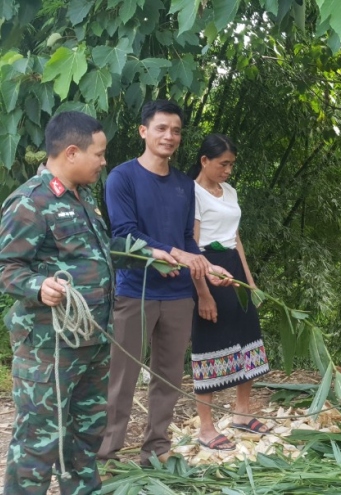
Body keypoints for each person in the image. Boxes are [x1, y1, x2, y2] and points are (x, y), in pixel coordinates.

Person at [0, 112, 178, 494]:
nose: (102, 162)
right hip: (49, 348)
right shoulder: (31, 202)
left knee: (85, 437)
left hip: (93, 342)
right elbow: (7, 267)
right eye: (98, 154)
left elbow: (98, 253)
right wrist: (37, 285)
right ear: (71, 152)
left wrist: (148, 254)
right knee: (38, 441)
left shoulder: (82, 197)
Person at [98, 100, 232, 466]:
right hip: (135, 292)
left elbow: (188, 240)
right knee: (121, 380)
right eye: (161, 128)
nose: (169, 136)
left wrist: (205, 267)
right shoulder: (122, 178)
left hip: (177, 296)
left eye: (175, 130)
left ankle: (155, 451)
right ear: (143, 131)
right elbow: (124, 235)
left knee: (169, 378)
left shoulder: (183, 185)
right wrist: (175, 253)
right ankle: (106, 455)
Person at [187, 134, 270, 451]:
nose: (228, 170)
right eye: (223, 164)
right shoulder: (191, 194)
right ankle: (206, 428)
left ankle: (241, 413)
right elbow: (191, 246)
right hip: (207, 268)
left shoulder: (230, 192)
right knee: (211, 343)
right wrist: (203, 291)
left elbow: (236, 239)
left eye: (231, 164)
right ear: (204, 161)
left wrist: (250, 282)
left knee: (248, 337)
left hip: (234, 268)